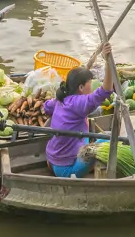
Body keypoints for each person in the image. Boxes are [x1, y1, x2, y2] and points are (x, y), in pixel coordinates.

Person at [44, 44, 114, 178]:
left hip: (53, 160)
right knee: (108, 139)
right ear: (81, 87)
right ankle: (95, 169)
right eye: (90, 83)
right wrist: (108, 63)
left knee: (90, 128)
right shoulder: (78, 103)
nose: (92, 85)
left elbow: (46, 106)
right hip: (68, 170)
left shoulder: (60, 99)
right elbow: (105, 91)